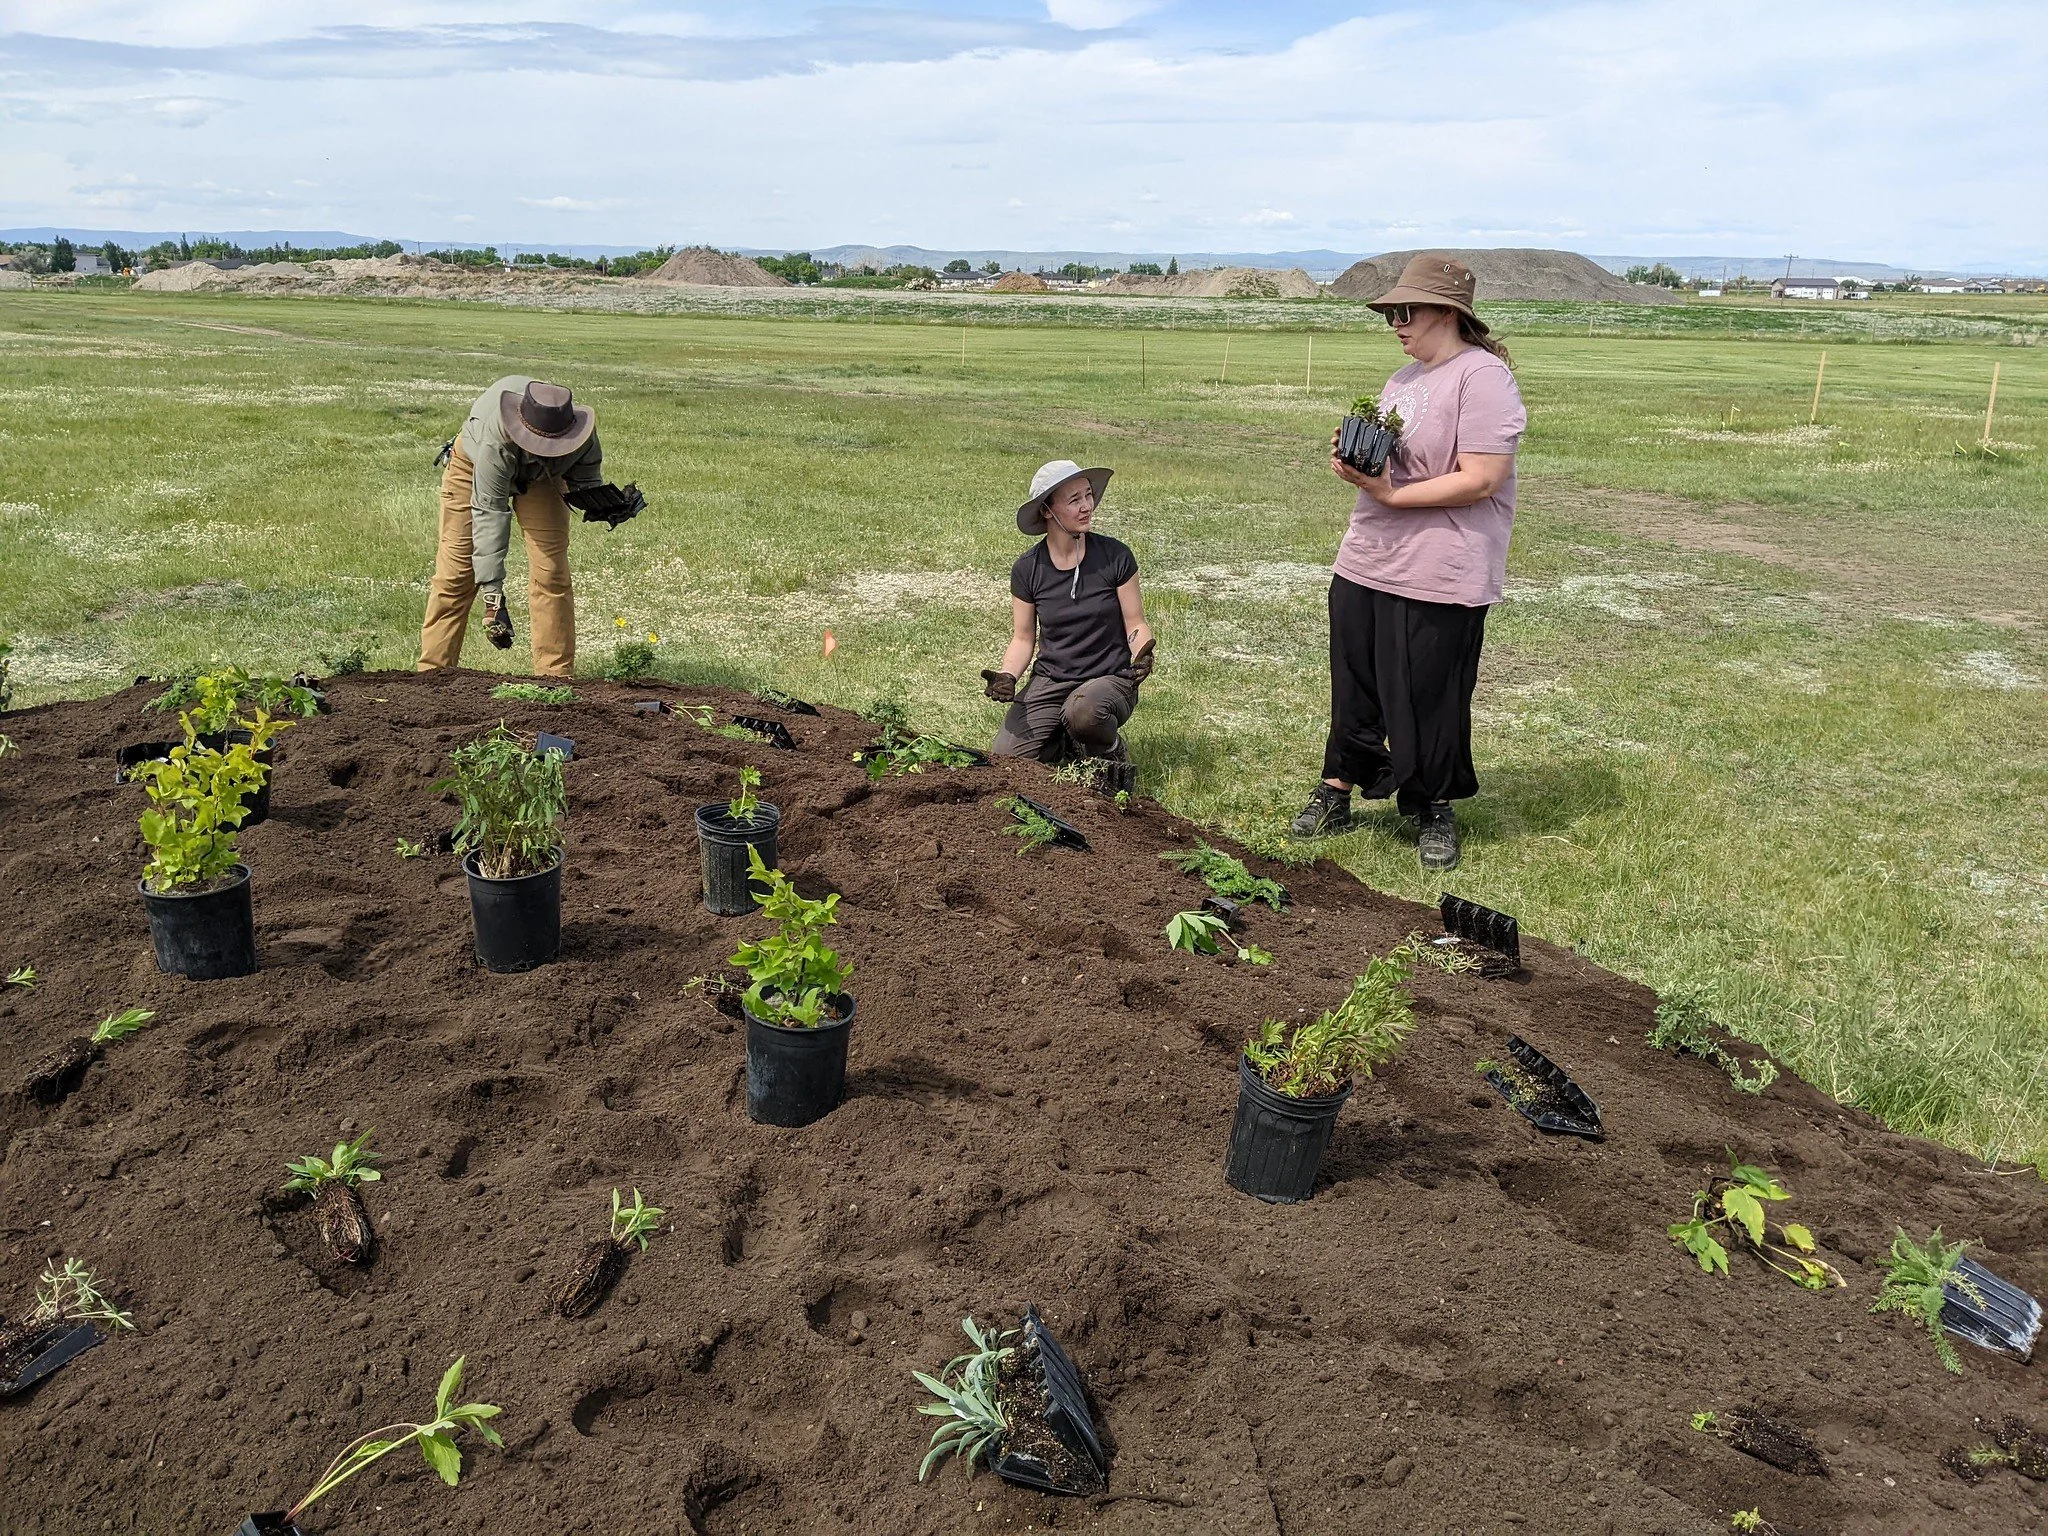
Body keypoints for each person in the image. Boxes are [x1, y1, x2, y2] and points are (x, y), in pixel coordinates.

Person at [1289, 254, 1527, 871]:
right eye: (1390, 313)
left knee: (1432, 692)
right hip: (1368, 555)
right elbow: (1394, 467)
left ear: (1446, 312)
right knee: (1356, 680)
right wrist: (1358, 465)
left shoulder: (1483, 378)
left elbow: (1481, 478)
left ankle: (1432, 805)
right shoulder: (1402, 381)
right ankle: (1337, 788)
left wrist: (1391, 492)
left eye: (1405, 311)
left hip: (1442, 566)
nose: (1395, 322)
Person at [417, 377, 605, 677]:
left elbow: (585, 481)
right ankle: (432, 676)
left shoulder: (580, 434)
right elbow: (489, 515)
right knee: (456, 574)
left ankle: (554, 679)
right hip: (474, 467)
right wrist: (493, 601)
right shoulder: (497, 439)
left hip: (542, 477)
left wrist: (605, 505)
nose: (547, 447)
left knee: (552, 572)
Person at [985, 459, 1156, 776]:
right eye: (1074, 500)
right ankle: (1065, 741)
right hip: (1052, 680)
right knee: (1006, 758)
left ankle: (1109, 752)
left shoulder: (1116, 557)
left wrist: (1142, 652)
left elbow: (1135, 622)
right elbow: (1023, 638)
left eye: (1088, 495)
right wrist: (1007, 675)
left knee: (1085, 711)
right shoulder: (1028, 569)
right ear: (1047, 511)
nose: (1087, 506)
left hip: (1110, 679)